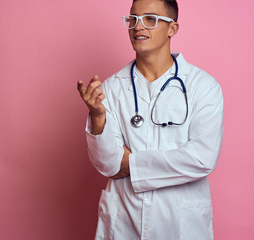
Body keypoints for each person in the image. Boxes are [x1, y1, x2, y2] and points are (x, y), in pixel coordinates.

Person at [76, 0, 224, 239]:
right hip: (124, 220)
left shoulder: (203, 86)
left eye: (150, 19)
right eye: (132, 19)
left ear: (172, 29)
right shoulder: (110, 89)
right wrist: (98, 116)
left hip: (180, 223)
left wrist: (131, 164)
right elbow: (108, 165)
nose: (138, 27)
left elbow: (201, 157)